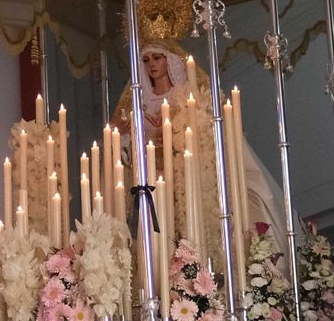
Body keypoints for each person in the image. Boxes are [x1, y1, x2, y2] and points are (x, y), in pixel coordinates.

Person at [111, 38, 282, 243]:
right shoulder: (140, 105)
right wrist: (123, 136)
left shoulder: (185, 97)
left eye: (157, 58)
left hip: (185, 173)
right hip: (153, 178)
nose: (151, 65)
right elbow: (128, 153)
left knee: (190, 224)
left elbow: (203, 134)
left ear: (169, 60)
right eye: (146, 60)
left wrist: (173, 128)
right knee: (160, 233)